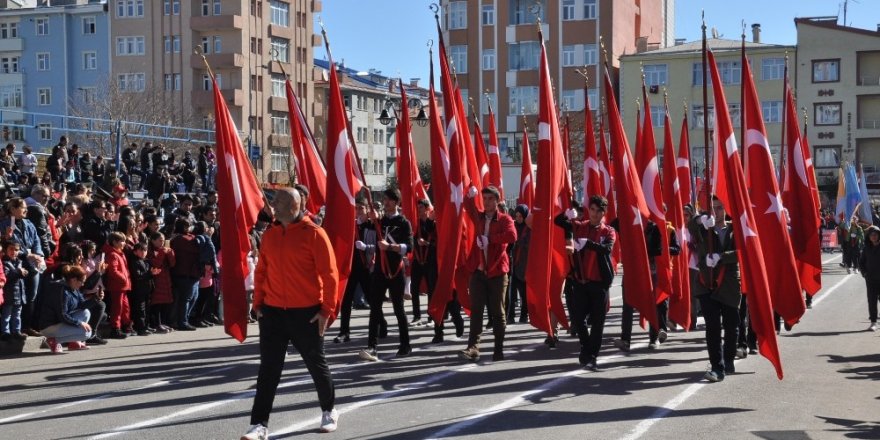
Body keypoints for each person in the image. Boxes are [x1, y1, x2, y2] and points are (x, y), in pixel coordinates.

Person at [243, 187, 339, 439]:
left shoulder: (315, 234)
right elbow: (261, 271)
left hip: (306, 313)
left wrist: (326, 310)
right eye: (274, 200)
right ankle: (258, 425)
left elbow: (330, 276)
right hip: (273, 313)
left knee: (316, 365)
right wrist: (258, 305)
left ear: (294, 206)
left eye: (279, 201)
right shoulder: (271, 235)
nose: (273, 204)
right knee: (268, 370)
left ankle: (329, 410)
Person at [554, 195, 616, 370]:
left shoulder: (608, 231)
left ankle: (592, 354)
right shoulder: (580, 226)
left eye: (599, 211)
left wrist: (587, 243)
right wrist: (566, 214)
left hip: (599, 283)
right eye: (593, 210)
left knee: (598, 322)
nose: (595, 214)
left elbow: (606, 249)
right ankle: (586, 346)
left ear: (604, 213)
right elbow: (558, 222)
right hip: (581, 281)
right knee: (578, 319)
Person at [458, 186, 517, 362]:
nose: (487, 202)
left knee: (497, 312)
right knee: (476, 310)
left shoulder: (505, 219)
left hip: (497, 272)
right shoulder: (479, 218)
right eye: (484, 198)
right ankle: (473, 348)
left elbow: (512, 235)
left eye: (491, 198)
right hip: (478, 271)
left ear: (497, 201)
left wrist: (490, 239)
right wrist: (470, 195)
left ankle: (498, 349)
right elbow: (468, 206)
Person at [689, 197, 741, 382]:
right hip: (706, 281)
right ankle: (716, 367)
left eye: (720, 208)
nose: (716, 212)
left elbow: (744, 251)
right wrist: (699, 219)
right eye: (713, 208)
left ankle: (728, 361)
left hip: (728, 283)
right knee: (712, 326)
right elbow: (690, 225)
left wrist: (722, 256)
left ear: (726, 209)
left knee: (731, 325)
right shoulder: (704, 227)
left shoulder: (736, 229)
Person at [358, 189, 413, 361]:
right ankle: (372, 346)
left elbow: (409, 247)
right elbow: (361, 223)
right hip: (380, 271)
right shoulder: (379, 221)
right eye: (385, 199)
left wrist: (389, 247)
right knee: (375, 308)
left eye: (389, 200)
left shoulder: (404, 222)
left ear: (397, 202)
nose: (386, 202)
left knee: (398, 309)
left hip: (396, 270)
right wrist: (367, 215)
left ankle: (405, 344)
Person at [335, 198, 377, 344]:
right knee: (346, 301)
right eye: (356, 208)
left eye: (361, 208)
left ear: (367, 210)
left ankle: (381, 325)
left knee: (372, 299)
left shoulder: (373, 226)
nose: (358, 211)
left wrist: (366, 247)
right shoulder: (351, 226)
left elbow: (379, 246)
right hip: (351, 268)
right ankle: (344, 332)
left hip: (366, 267)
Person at [38, 265, 93, 354]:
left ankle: (74, 343)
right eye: (81, 281)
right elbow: (63, 316)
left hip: (60, 322)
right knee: (86, 334)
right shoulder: (62, 291)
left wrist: (96, 299)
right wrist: (79, 323)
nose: (82, 284)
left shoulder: (74, 289)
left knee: (86, 312)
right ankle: (53, 340)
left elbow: (82, 305)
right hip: (49, 326)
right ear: (74, 280)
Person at [409, 199, 436, 326]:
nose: (418, 210)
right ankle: (416, 315)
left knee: (431, 289)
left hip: (430, 260)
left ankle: (431, 316)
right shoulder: (415, 224)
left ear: (426, 209)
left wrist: (427, 243)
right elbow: (410, 240)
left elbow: (439, 242)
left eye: (420, 207)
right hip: (418, 260)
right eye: (417, 207)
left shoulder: (434, 224)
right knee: (414, 288)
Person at [103, 231, 132, 339]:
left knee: (125, 307)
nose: (124, 243)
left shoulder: (119, 253)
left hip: (122, 285)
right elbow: (113, 271)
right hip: (117, 285)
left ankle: (125, 325)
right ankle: (115, 328)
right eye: (122, 241)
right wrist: (124, 278)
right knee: (117, 307)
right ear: (114, 242)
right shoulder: (113, 254)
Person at [1, 240, 27, 341]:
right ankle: (5, 332)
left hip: (19, 294)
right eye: (11, 249)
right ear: (5, 250)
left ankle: (16, 331)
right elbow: (7, 276)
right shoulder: (5, 262)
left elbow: (20, 276)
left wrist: (24, 272)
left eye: (16, 250)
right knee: (7, 314)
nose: (14, 252)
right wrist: (18, 272)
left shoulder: (19, 262)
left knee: (17, 314)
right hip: (9, 294)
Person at [508, 204, 531, 324]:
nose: (518, 218)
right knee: (511, 294)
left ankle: (524, 315)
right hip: (513, 264)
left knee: (524, 294)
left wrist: (520, 242)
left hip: (524, 264)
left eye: (521, 216)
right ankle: (510, 316)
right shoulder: (513, 226)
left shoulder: (529, 228)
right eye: (516, 216)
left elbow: (531, 245)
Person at [859, 225, 880, 331]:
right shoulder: (866, 248)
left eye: (876, 234)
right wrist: (865, 273)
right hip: (871, 279)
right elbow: (861, 263)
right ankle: (873, 322)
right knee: (872, 301)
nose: (874, 236)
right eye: (871, 235)